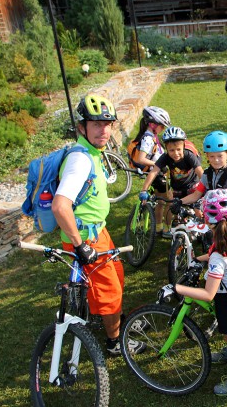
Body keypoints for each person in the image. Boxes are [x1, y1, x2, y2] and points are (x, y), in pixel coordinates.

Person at [52, 94, 143, 356]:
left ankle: (114, 320)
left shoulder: (93, 152)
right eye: (96, 124)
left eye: (107, 124)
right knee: (110, 290)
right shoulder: (80, 160)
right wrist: (80, 246)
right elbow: (60, 206)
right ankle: (115, 342)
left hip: (98, 231)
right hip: (85, 238)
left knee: (116, 277)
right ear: (82, 127)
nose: (103, 130)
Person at [159, 189, 227, 396]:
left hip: (226, 300)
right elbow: (222, 257)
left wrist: (177, 288)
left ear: (209, 219)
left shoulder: (219, 255)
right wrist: (200, 259)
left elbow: (209, 294)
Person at [170, 131, 227, 218]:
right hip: (212, 212)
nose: (216, 160)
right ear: (207, 156)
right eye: (212, 156)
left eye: (220, 156)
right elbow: (196, 195)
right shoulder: (207, 174)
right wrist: (180, 202)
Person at [139, 126, 204, 224]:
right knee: (172, 208)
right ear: (166, 149)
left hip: (192, 187)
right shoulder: (165, 157)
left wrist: (205, 188)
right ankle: (167, 229)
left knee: (197, 211)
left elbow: (200, 172)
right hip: (177, 188)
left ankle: (203, 230)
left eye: (178, 149)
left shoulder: (189, 156)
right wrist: (144, 190)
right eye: (171, 150)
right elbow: (154, 172)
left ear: (184, 147)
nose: (176, 153)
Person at [130, 106, 172, 237]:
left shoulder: (149, 135)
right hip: (157, 175)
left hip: (153, 175)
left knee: (160, 202)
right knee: (170, 201)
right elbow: (142, 158)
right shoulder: (148, 138)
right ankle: (166, 229)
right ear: (153, 125)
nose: (163, 129)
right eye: (162, 126)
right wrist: (158, 165)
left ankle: (158, 227)